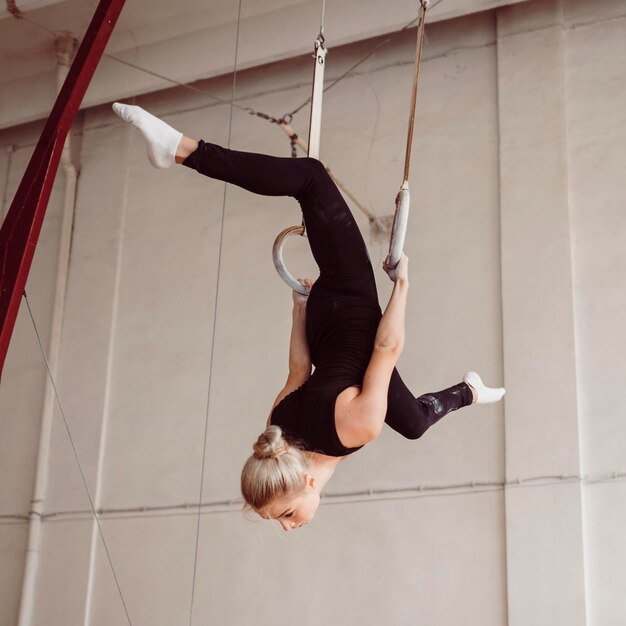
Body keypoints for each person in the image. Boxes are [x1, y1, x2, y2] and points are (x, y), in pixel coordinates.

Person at [112, 102, 505, 532]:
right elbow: (300, 367)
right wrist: (300, 309)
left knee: (312, 179)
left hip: (350, 300)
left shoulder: (356, 427)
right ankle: (470, 391)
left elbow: (387, 347)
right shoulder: (274, 434)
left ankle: (180, 150)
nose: (287, 527)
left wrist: (402, 285)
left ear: (306, 481)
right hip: (321, 326)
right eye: (282, 519)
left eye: (284, 515)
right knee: (411, 423)